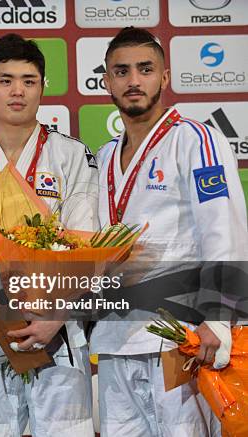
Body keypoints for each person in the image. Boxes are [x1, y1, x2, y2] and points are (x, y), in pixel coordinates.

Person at [92, 26, 248, 436]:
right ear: (106, 81)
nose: (133, 80)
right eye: (121, 71)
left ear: (164, 77)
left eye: (145, 69)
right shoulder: (106, 155)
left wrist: (217, 317)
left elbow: (223, 227)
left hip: (178, 338)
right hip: (114, 338)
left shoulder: (196, 139)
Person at [0, 33, 98, 437]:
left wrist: (55, 314)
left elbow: (88, 243)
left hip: (57, 335)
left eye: (29, 81)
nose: (18, 91)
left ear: (43, 87)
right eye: (5, 79)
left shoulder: (71, 155)